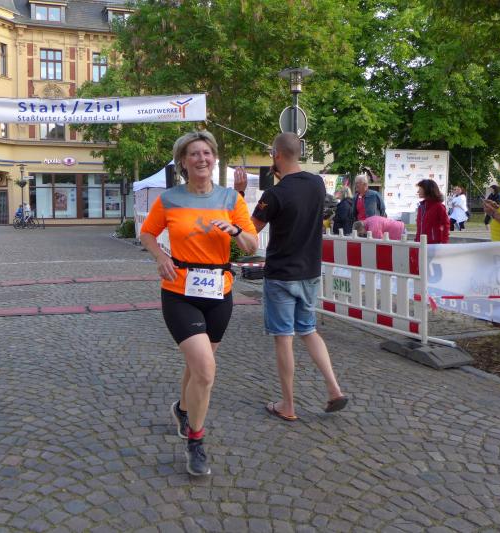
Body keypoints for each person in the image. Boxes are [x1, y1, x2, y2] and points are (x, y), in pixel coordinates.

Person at [139, 130, 258, 476]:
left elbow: (252, 245)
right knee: (205, 369)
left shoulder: (230, 199)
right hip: (179, 291)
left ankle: (182, 409)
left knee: (196, 367)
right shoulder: (170, 199)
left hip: (219, 292)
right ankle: (196, 439)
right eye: (194, 153)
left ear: (214, 158)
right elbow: (146, 233)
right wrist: (160, 256)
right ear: (183, 161)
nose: (201, 159)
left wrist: (235, 232)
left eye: (206, 152)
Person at [249, 132, 347, 423]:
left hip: (281, 274)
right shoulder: (317, 183)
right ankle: (334, 389)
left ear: (276, 155)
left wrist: (241, 194)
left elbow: (250, 231)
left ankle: (287, 405)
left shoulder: (274, 194)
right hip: (310, 271)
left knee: (284, 339)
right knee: (309, 330)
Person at [414, 179, 450, 244]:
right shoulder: (421, 207)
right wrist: (416, 240)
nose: (418, 191)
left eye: (420, 189)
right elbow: (419, 228)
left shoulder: (439, 207)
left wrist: (444, 243)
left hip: (434, 245)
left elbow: (446, 225)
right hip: (420, 244)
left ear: (427, 190)